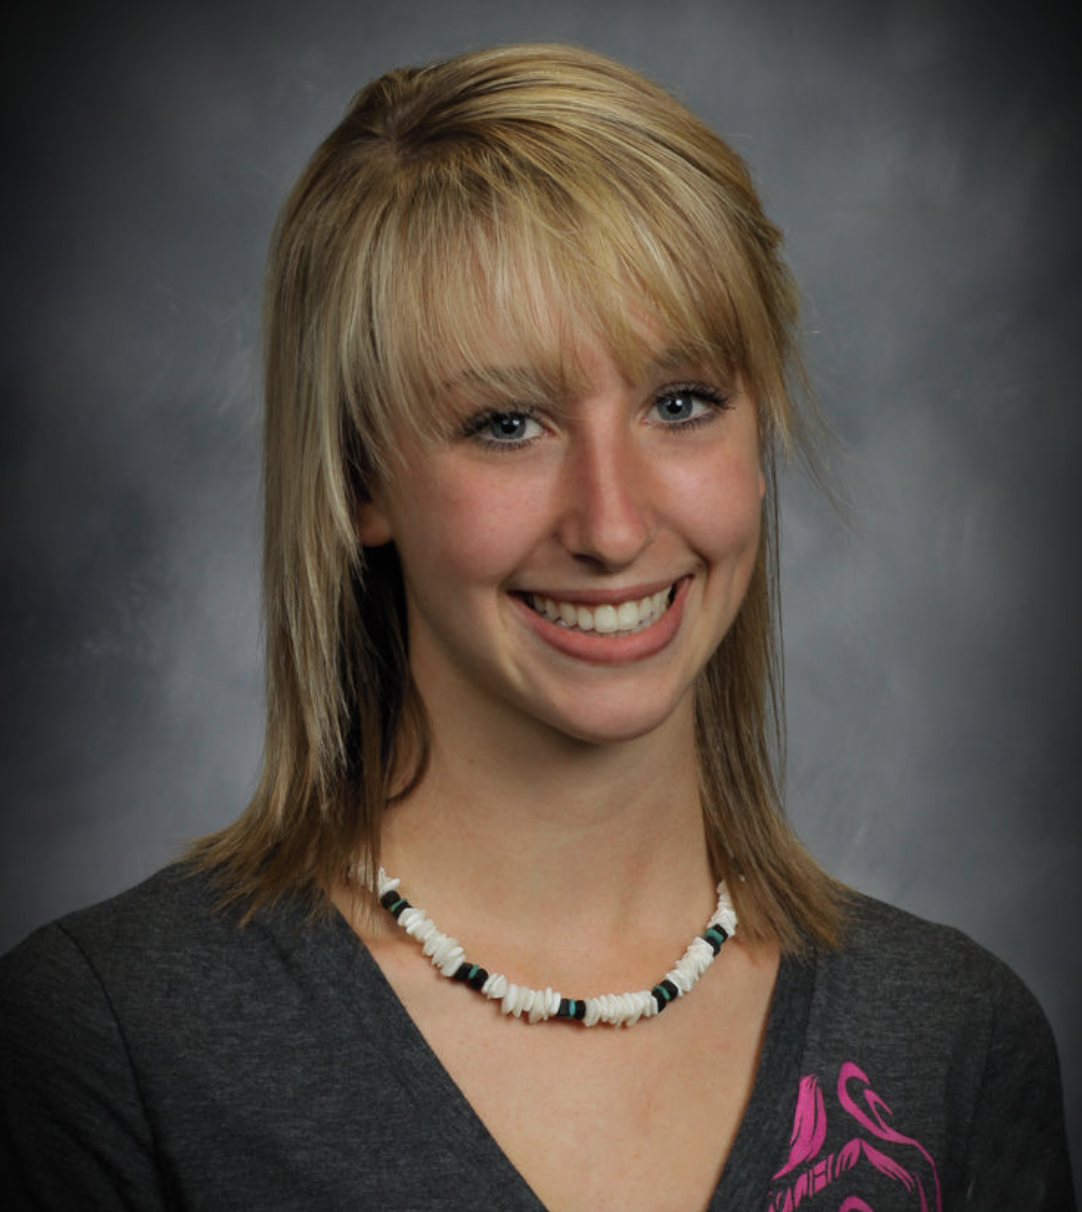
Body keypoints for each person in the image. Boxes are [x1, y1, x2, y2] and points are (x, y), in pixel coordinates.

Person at [0, 42, 1073, 1212]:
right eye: (506, 423)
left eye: (680, 403)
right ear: (358, 479)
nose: (611, 526)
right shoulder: (111, 1046)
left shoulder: (950, 1041)